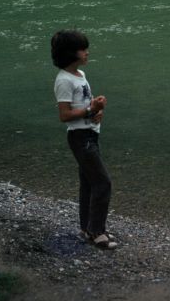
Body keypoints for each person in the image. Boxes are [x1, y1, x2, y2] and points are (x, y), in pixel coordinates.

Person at [51, 29, 116, 249]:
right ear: (71, 53)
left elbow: (85, 106)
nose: (87, 52)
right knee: (102, 182)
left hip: (90, 133)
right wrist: (90, 109)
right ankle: (97, 231)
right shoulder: (64, 81)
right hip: (80, 137)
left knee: (88, 183)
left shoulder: (80, 76)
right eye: (83, 49)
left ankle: (87, 227)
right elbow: (65, 115)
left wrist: (96, 111)